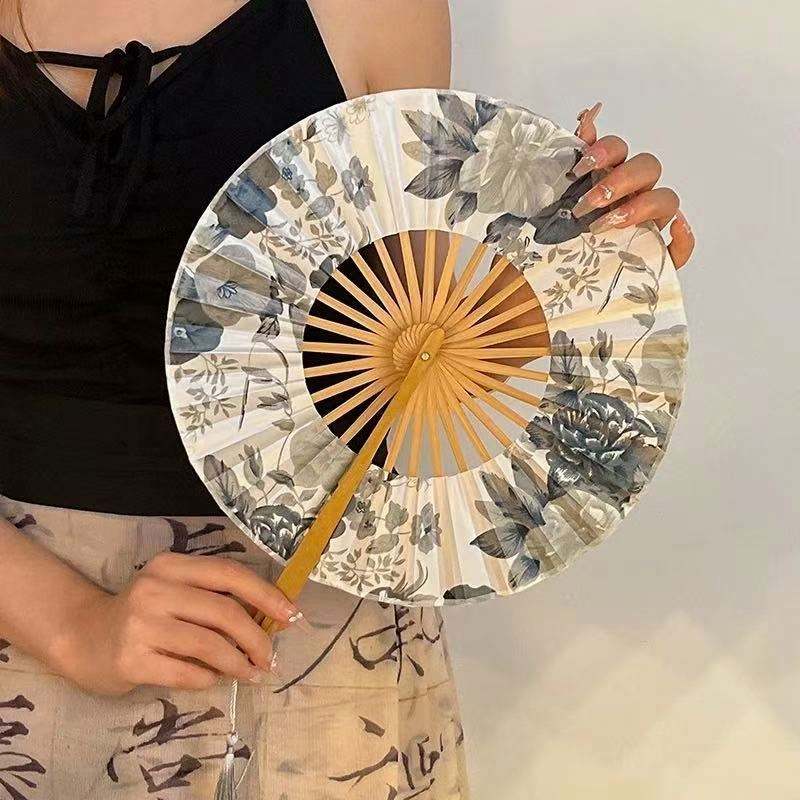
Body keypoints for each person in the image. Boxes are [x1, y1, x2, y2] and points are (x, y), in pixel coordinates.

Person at [0, 1, 695, 797]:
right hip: (25, 628)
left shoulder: (372, 11)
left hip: (319, 616)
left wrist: (582, 283)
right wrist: (74, 626)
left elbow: (414, 352)